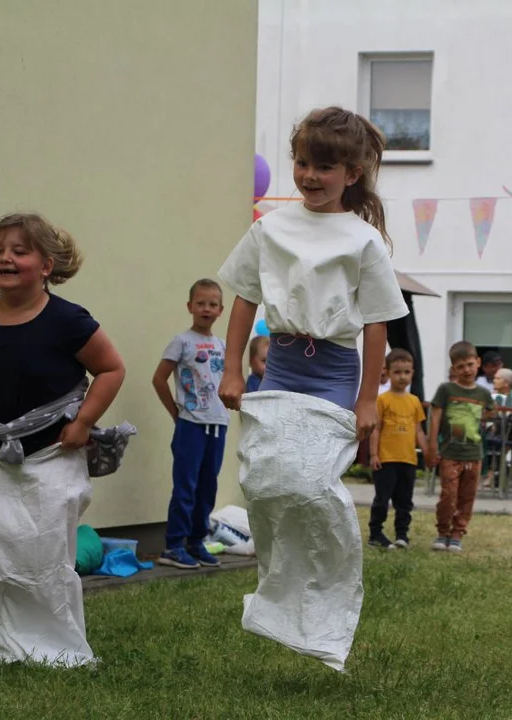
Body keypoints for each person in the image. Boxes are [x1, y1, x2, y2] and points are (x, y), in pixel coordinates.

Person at [216, 106, 408, 671]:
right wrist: (232, 368)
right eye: (302, 162)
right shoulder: (269, 227)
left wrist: (368, 397)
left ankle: (330, 586)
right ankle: (280, 598)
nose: (309, 175)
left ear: (352, 173)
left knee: (309, 482)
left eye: (324, 166)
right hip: (279, 365)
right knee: (266, 480)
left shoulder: (362, 240)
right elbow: (245, 298)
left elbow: (377, 322)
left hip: (333, 370)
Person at [0, 212, 125, 666]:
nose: (5, 258)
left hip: (52, 454)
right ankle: (3, 644)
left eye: (19, 250)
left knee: (43, 553)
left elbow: (111, 369)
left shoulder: (68, 321)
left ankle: (59, 651)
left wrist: (85, 422)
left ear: (47, 266)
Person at [152, 279, 229, 569]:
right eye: (201, 303)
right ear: (190, 307)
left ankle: (196, 541)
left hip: (218, 425)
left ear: (221, 310)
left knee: (208, 486)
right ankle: (173, 545)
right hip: (190, 426)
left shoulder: (222, 345)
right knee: (186, 485)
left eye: (212, 304)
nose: (206, 309)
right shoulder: (182, 342)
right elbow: (159, 379)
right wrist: (176, 413)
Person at [426, 341, 496, 552]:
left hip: (474, 454)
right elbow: (435, 418)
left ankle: (457, 534)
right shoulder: (446, 390)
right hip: (450, 453)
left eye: (469, 364)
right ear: (453, 369)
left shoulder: (483, 394)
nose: (466, 370)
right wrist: (432, 446)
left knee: (467, 496)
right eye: (460, 366)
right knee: (449, 494)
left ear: (478, 363)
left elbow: (490, 412)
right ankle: (442, 532)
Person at [368, 349, 427, 549]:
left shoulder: (414, 401)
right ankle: (375, 533)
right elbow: (376, 428)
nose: (402, 377)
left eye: (407, 372)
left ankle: (402, 534)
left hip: (408, 460)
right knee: (382, 499)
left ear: (413, 373)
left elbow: (419, 430)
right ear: (388, 372)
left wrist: (428, 452)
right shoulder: (382, 400)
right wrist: (374, 454)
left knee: (405, 502)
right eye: (397, 372)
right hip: (386, 459)